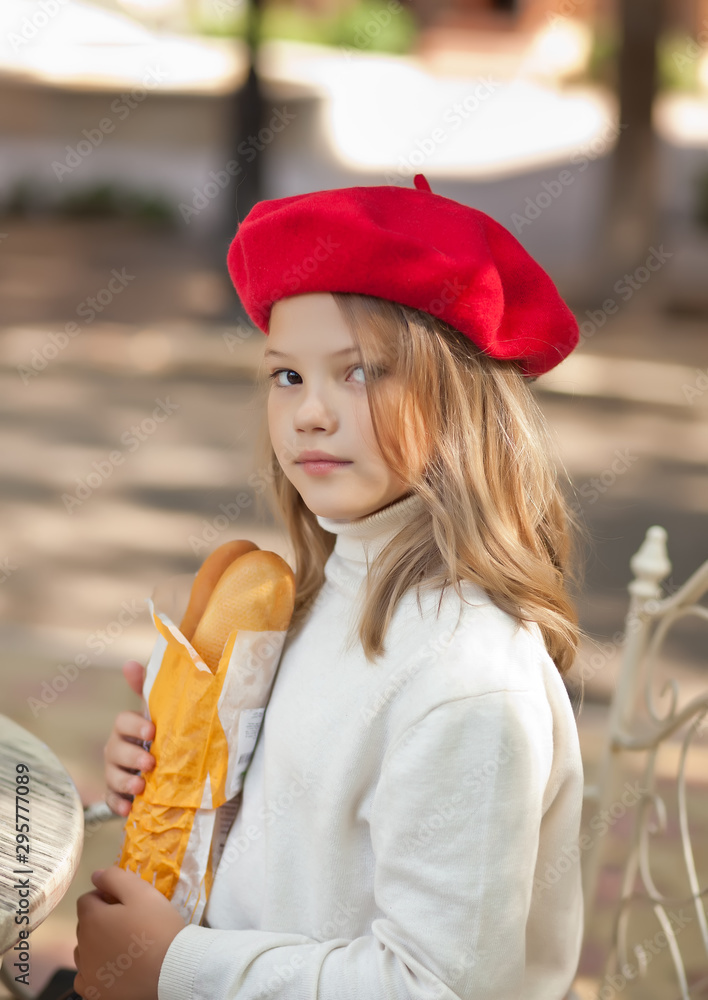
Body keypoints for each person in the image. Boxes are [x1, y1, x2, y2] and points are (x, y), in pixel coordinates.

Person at [74, 173, 589, 1000]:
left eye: (358, 373)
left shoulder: (467, 680)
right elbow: (293, 860)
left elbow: (439, 986)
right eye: (287, 377)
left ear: (459, 401)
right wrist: (177, 780)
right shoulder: (314, 601)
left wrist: (177, 968)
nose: (310, 412)